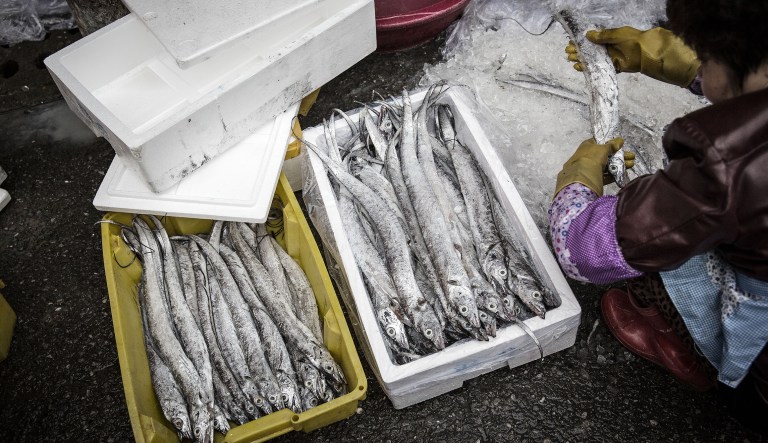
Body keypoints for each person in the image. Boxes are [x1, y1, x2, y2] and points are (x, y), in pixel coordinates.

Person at [550, 0, 768, 433]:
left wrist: (577, 182)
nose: (701, 64)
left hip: (761, 380)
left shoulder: (725, 169)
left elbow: (584, 250)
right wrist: (680, 62)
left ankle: (689, 348)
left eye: (705, 55)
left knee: (655, 233)